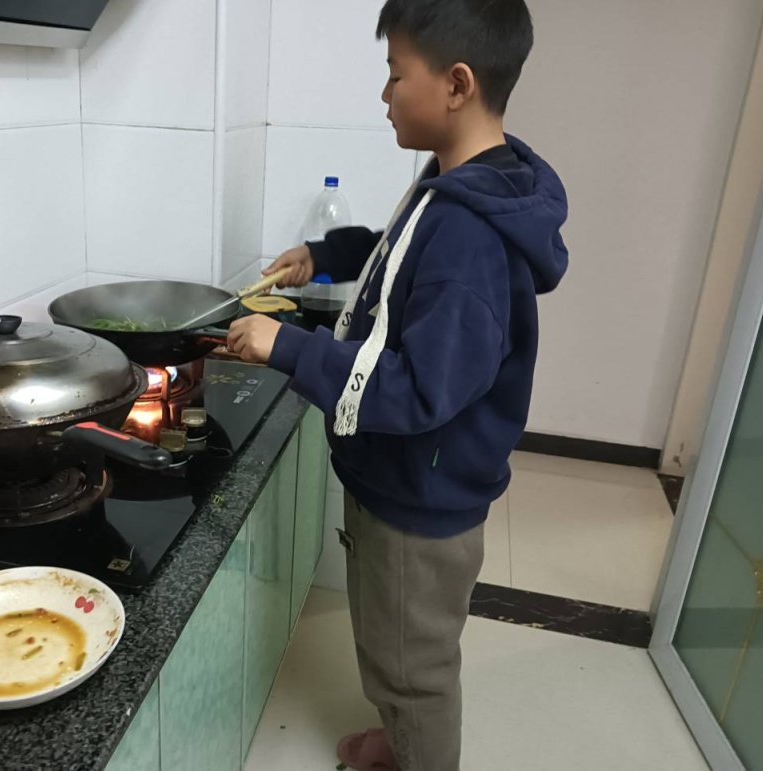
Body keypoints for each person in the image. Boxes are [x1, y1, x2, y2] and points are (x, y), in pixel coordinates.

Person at [226, 1, 568, 769]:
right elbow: (397, 252)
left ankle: (419, 749)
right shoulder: (458, 184)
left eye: (395, 75)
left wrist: (290, 347)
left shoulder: (471, 233)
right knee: (392, 642)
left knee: (417, 668)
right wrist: (325, 254)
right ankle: (397, 734)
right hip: (405, 480)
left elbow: (418, 388)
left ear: (456, 84)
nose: (384, 95)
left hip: (423, 501)